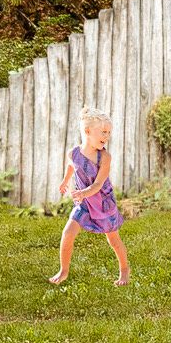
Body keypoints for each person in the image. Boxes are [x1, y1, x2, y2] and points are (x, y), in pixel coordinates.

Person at [51, 111, 131, 287]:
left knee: (113, 240)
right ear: (87, 131)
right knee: (68, 233)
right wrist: (65, 181)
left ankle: (124, 269)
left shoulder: (105, 158)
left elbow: (98, 184)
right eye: (103, 132)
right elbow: (72, 166)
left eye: (109, 132)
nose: (107, 136)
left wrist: (83, 192)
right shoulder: (73, 153)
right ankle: (64, 270)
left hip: (103, 204)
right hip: (85, 204)